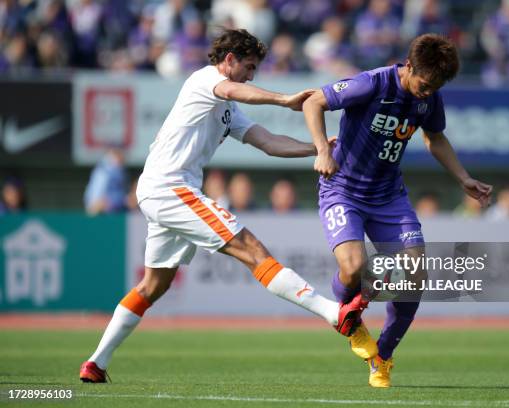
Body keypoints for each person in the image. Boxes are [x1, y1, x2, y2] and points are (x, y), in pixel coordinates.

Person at [79, 29, 367, 383]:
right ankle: (333, 313)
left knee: (153, 286)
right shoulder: (206, 80)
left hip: (163, 191)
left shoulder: (226, 108)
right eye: (248, 66)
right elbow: (232, 88)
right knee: (252, 250)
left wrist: (318, 147)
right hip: (171, 188)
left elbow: (268, 142)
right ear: (228, 60)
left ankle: (96, 363)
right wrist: (283, 99)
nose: (251, 75)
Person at [303, 33, 492, 387]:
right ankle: (346, 317)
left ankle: (383, 357)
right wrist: (321, 150)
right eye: (424, 83)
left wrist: (463, 178)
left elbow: (434, 138)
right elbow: (313, 102)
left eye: (436, 86)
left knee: (416, 276)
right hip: (343, 189)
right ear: (409, 67)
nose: (427, 90)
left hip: (389, 196)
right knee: (353, 267)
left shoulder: (430, 99)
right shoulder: (371, 83)